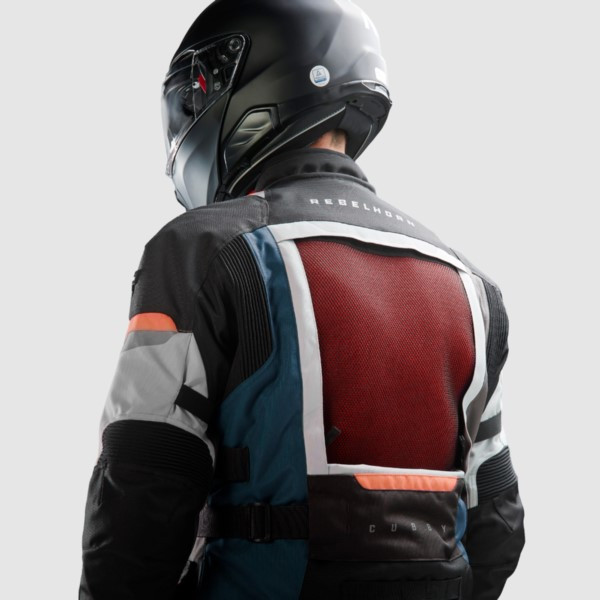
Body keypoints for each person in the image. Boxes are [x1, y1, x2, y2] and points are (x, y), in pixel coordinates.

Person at [79, 1, 525, 598]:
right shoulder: (470, 285)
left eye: (197, 95)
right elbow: (498, 524)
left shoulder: (200, 251)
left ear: (253, 84)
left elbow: (140, 493)